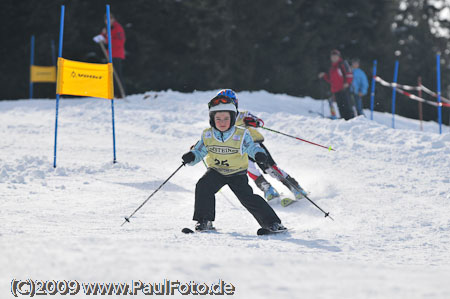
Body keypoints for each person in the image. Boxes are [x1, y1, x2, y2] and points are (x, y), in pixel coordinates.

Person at [181, 91, 286, 233]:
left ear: (233, 118)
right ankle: (204, 220)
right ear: (212, 120)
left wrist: (258, 154)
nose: (222, 122)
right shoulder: (208, 134)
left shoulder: (241, 134)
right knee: (203, 186)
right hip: (216, 171)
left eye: (226, 118)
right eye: (218, 119)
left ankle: (272, 223)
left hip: (237, 173)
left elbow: (251, 147)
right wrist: (191, 156)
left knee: (247, 198)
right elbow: (199, 151)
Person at [214, 89, 307, 206]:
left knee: (270, 169)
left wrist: (253, 121)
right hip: (239, 151)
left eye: (227, 103)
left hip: (255, 145)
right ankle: (268, 189)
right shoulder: (219, 122)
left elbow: (259, 122)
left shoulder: (243, 115)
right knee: (250, 169)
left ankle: (294, 187)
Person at [93, 13, 126, 97]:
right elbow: (104, 37)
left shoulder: (117, 28)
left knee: (117, 73)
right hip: (109, 54)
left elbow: (119, 41)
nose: (108, 22)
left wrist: (107, 40)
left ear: (113, 19)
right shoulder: (107, 29)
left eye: (109, 19)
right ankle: (113, 92)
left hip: (117, 54)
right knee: (111, 74)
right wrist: (102, 37)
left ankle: (120, 93)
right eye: (106, 20)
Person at [318, 49, 355, 120]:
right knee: (340, 106)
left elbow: (349, 74)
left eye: (335, 56)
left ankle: (351, 120)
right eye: (333, 56)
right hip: (336, 90)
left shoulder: (343, 64)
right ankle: (344, 120)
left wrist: (347, 83)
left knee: (347, 106)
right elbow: (330, 79)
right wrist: (324, 75)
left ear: (339, 57)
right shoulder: (332, 67)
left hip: (343, 88)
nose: (334, 58)